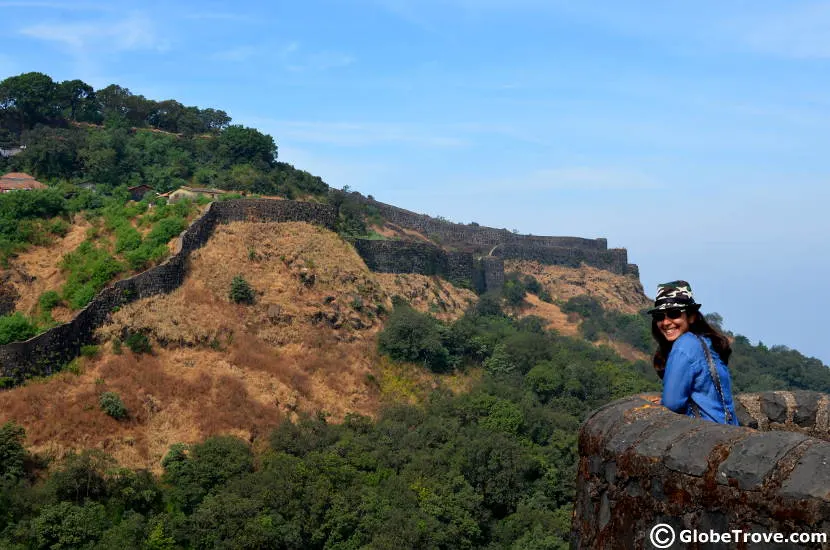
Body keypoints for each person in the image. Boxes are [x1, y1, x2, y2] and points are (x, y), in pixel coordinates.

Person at [648, 280, 738, 425]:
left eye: (674, 313)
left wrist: (664, 402)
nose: (665, 322)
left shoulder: (684, 346)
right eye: (659, 316)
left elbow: (672, 404)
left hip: (705, 432)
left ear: (691, 316)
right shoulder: (705, 341)